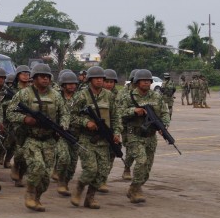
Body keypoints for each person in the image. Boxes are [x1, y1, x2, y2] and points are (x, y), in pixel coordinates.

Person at [7, 63, 69, 212]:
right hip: (31, 138)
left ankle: (37, 197)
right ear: (34, 78)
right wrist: (24, 119)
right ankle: (29, 192)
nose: (45, 79)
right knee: (37, 166)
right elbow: (10, 112)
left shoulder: (55, 95)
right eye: (42, 76)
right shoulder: (24, 94)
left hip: (49, 140)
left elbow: (65, 113)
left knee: (46, 176)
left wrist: (63, 126)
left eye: (47, 77)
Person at [70, 66, 121, 209]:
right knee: (91, 169)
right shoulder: (81, 96)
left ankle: (90, 197)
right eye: (96, 78)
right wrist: (85, 122)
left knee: (103, 171)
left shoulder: (109, 96)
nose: (100, 80)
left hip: (104, 140)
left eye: (102, 78)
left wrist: (116, 133)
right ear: (90, 80)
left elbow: (116, 116)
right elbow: (71, 116)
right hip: (87, 139)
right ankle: (79, 189)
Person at [118, 69, 170, 204]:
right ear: (137, 82)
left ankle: (135, 187)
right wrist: (133, 111)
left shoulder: (156, 96)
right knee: (141, 161)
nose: (147, 82)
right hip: (134, 135)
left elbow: (164, 112)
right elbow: (119, 113)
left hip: (151, 137)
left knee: (147, 169)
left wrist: (164, 126)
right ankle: (136, 190)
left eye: (148, 80)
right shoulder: (128, 96)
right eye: (144, 80)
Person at [53, 71, 79, 196]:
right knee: (64, 158)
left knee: (73, 162)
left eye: (73, 83)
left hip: (76, 134)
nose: (71, 86)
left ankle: (66, 182)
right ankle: (61, 182)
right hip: (61, 133)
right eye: (69, 84)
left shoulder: (80, 98)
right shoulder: (56, 97)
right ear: (63, 85)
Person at [9, 65, 32, 188]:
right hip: (18, 124)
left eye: (27, 73)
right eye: (23, 73)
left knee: (27, 154)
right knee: (19, 152)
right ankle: (15, 165)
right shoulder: (12, 89)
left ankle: (20, 177)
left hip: (32, 124)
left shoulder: (33, 90)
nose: (25, 75)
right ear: (18, 75)